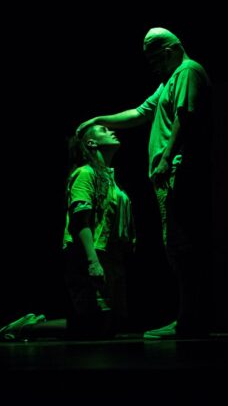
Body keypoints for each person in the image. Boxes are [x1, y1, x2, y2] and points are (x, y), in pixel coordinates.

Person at [76, 27, 212, 339]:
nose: (153, 67)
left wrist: (166, 158)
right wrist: (99, 119)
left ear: (170, 51)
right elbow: (139, 113)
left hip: (179, 171)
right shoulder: (169, 81)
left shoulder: (187, 71)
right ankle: (188, 317)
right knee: (175, 245)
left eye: (155, 60)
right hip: (169, 173)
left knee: (182, 246)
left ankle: (190, 319)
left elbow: (185, 117)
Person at [0, 124, 135, 341]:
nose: (112, 131)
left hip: (111, 256)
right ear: (91, 143)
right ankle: (28, 328)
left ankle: (32, 327)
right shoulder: (85, 173)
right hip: (90, 255)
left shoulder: (110, 178)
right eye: (104, 130)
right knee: (95, 323)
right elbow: (80, 219)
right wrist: (92, 261)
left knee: (112, 324)